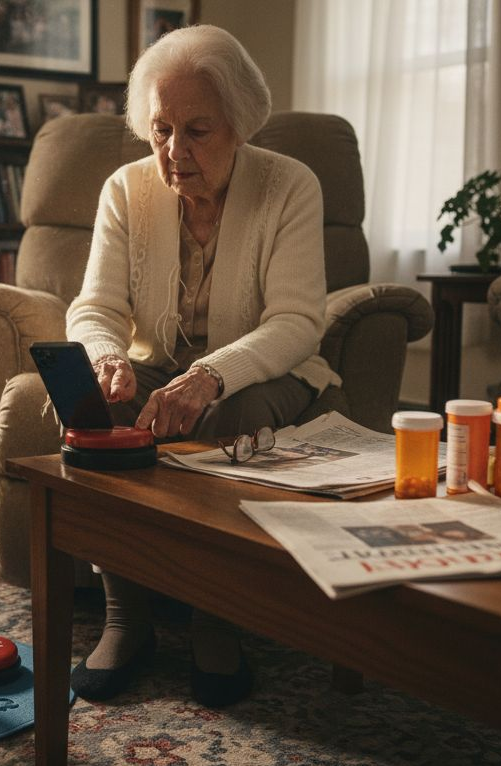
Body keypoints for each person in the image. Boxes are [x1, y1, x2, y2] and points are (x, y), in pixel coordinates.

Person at [65, 24, 340, 708]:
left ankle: (218, 621)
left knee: (232, 418)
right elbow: (92, 306)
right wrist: (104, 358)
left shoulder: (290, 186)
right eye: (160, 129)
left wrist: (212, 373)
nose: (173, 152)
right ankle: (127, 619)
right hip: (156, 366)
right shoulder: (126, 191)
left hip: (265, 374)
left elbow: (297, 323)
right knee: (91, 410)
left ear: (239, 125)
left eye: (197, 130)